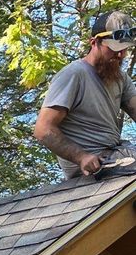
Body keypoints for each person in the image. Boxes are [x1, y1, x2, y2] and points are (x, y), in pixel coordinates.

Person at [33, 10, 136, 179]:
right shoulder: (74, 74)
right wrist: (82, 157)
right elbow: (43, 130)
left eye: (124, 49)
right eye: (114, 49)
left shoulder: (120, 77)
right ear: (94, 42)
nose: (120, 55)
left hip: (118, 154)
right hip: (94, 165)